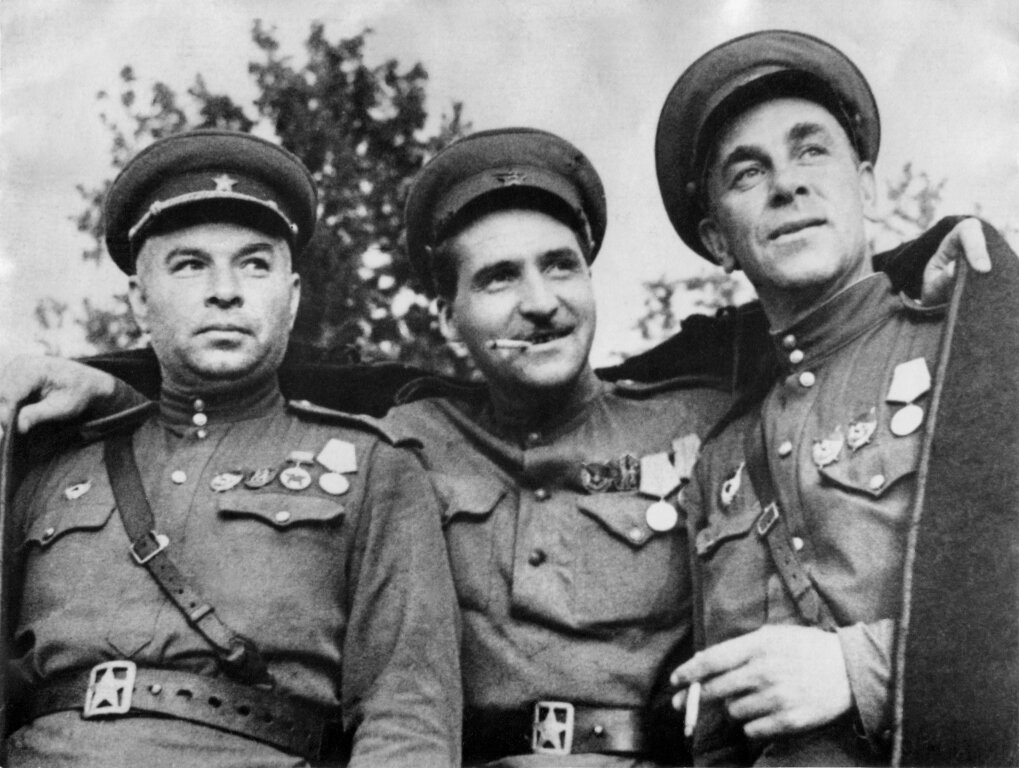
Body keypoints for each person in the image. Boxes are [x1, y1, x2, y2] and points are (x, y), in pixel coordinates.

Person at [0, 128, 997, 767]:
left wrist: (930, 255)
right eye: (495, 280)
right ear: (448, 317)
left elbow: (807, 307)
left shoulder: (693, 415)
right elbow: (251, 370)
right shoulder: (407, 432)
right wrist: (108, 382)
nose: (538, 303)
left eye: (561, 267)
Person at [1, 129, 461, 767]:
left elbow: (406, 719)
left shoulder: (374, 470)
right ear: (139, 301)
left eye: (254, 264)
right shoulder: (48, 470)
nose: (225, 290)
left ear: (292, 298)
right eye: (190, 265)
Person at [656, 30, 1019, 765]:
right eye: (747, 173)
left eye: (811, 150)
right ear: (718, 241)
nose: (786, 185)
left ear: (868, 188)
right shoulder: (721, 459)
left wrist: (859, 671)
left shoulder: (974, 349)